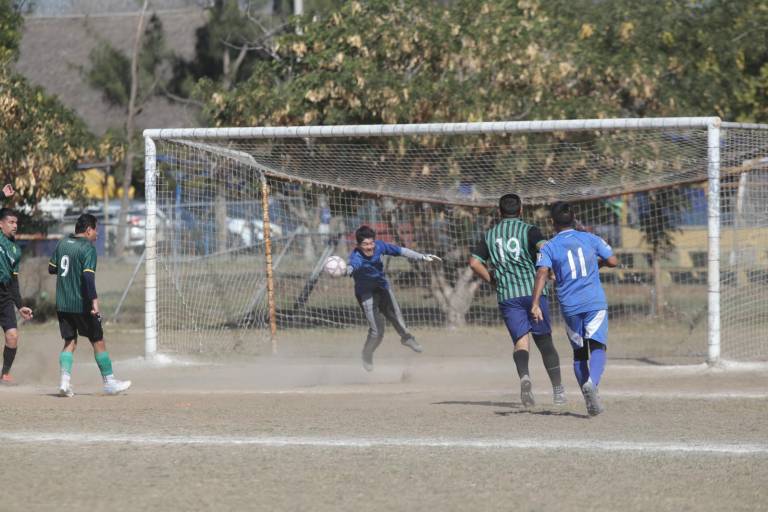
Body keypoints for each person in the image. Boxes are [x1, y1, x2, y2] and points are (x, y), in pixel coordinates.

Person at [469, 193, 565, 407]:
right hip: (534, 293)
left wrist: (492, 280)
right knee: (544, 341)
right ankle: (558, 391)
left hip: (507, 296)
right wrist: (551, 270)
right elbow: (545, 248)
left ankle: (524, 377)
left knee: (521, 341)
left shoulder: (490, 235)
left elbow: (474, 262)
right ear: (521, 210)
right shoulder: (529, 230)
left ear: (499, 212)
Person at [531, 202, 618, 416]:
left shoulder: (549, 246)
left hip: (569, 305)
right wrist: (598, 265)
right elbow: (613, 261)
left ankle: (590, 401)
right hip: (594, 301)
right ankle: (592, 384)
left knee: (579, 354)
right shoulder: (590, 238)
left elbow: (542, 272)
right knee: (598, 346)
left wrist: (535, 303)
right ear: (574, 218)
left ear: (552, 223)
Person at [48, 213, 131, 397]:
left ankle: (64, 383)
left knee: (70, 342)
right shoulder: (88, 248)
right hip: (81, 304)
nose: (97, 234)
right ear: (88, 230)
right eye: (96, 230)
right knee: (98, 341)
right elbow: (87, 276)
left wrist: (67, 274)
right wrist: (94, 302)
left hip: (62, 303)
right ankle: (109, 383)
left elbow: (52, 268)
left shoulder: (62, 243)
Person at [348, 225, 441, 371]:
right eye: (365, 244)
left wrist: (422, 256)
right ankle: (367, 354)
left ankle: (407, 338)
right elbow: (352, 266)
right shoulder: (356, 257)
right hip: (365, 294)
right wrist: (345, 270)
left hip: (382, 288)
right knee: (377, 331)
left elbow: (401, 251)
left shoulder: (380, 247)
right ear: (359, 245)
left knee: (395, 314)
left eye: (371, 243)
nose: (369, 247)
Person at [0, 184, 34, 384]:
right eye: (10, 222)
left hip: (4, 295)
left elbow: (13, 280)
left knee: (12, 336)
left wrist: (20, 305)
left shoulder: (15, 250)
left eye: (16, 222)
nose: (15, 225)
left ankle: (4, 373)